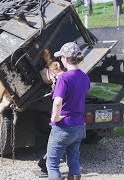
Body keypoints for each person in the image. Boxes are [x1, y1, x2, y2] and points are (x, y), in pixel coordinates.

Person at [46, 42, 90, 180]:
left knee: (52, 163)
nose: (60, 60)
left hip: (64, 126)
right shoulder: (85, 77)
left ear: (65, 58)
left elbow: (58, 101)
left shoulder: (64, 77)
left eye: (61, 58)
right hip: (79, 126)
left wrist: (55, 117)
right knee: (73, 160)